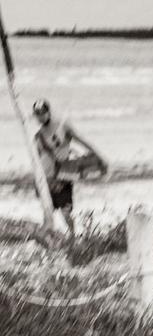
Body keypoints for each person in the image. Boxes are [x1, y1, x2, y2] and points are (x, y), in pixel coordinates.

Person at [31, 100, 108, 235]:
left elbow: (83, 141)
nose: (40, 117)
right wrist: (37, 180)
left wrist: (100, 157)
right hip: (45, 178)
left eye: (42, 113)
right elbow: (37, 160)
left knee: (65, 212)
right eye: (37, 114)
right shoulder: (37, 136)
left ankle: (73, 237)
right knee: (47, 213)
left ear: (49, 112)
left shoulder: (62, 126)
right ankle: (51, 241)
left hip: (62, 175)